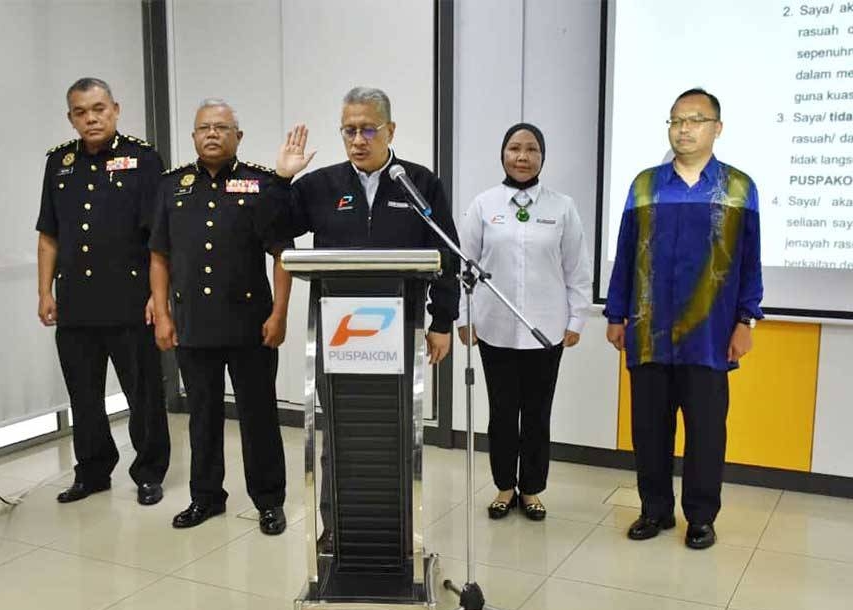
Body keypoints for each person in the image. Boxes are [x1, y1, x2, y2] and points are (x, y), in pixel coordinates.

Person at [275, 86, 461, 551]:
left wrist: (442, 321)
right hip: (336, 332)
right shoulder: (319, 186)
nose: (358, 139)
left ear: (390, 130)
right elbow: (272, 231)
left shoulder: (418, 183)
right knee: (339, 432)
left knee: (396, 432)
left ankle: (394, 525)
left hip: (401, 330)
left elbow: (447, 254)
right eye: (349, 130)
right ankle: (336, 526)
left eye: (368, 129)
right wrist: (282, 181)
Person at [604, 88, 763, 550]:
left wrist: (746, 321)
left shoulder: (739, 187)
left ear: (717, 127)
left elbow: (749, 261)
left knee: (706, 433)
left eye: (695, 119)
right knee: (649, 429)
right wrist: (616, 313)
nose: (684, 128)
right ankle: (655, 510)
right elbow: (626, 255)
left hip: (711, 337)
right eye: (675, 120)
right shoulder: (645, 185)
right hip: (648, 332)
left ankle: (700, 516)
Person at [149, 99, 291, 535]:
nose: (212, 134)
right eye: (204, 128)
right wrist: (162, 315)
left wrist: (279, 313)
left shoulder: (260, 185)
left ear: (238, 137)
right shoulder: (172, 186)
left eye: (222, 127)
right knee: (202, 417)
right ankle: (206, 498)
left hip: (251, 323)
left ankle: (268, 501)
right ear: (193, 137)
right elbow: (159, 255)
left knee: (258, 416)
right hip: (194, 323)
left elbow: (282, 255)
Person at [36, 77, 170, 506]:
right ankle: (92, 471)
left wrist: (159, 297)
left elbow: (159, 238)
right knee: (84, 396)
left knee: (143, 395)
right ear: (70, 117)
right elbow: (48, 237)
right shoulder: (59, 163)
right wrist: (44, 291)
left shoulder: (143, 159)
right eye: (81, 111)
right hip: (76, 304)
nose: (91, 118)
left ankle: (149, 472)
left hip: (131, 303)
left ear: (116, 109)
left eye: (98, 109)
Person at [456, 123, 591, 521]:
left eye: (531, 149)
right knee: (501, 412)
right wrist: (464, 317)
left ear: (542, 157)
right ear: (502, 154)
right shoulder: (483, 204)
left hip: (546, 330)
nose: (522, 156)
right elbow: (465, 266)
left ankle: (531, 489)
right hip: (494, 327)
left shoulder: (562, 206)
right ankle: (503, 487)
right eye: (514, 148)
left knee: (536, 413)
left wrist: (577, 319)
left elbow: (577, 269)